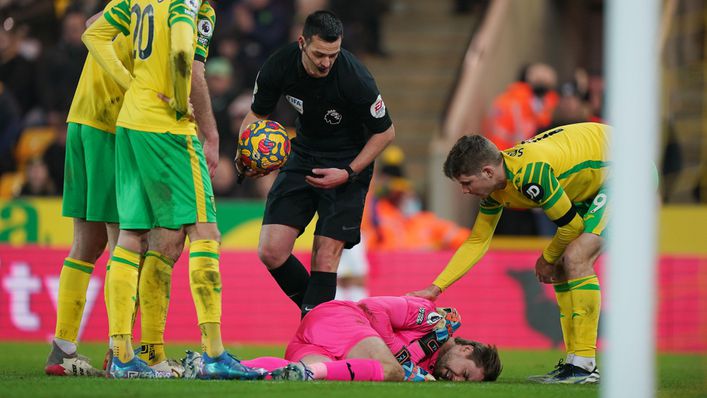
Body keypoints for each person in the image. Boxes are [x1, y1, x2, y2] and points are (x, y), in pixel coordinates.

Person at [81, 0, 260, 380]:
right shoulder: (189, 6)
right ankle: (213, 354)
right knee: (206, 232)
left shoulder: (137, 1)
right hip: (168, 130)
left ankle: (124, 354)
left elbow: (92, 32)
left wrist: (130, 84)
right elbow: (184, 53)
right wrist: (182, 105)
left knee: (133, 236)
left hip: (130, 122)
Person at [44, 2, 222, 378]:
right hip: (117, 121)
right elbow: (193, 68)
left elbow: (93, 24)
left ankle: (63, 349)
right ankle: (123, 353)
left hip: (83, 114)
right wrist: (208, 131)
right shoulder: (187, 7)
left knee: (88, 242)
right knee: (127, 239)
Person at [409, 122, 611, 384]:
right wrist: (436, 288)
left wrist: (546, 258)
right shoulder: (497, 187)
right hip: (591, 182)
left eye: (467, 182)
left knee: (575, 257)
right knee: (564, 264)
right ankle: (575, 364)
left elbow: (570, 226)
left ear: (487, 171)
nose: (465, 191)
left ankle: (584, 367)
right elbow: (478, 241)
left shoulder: (531, 174)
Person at [237, 10, 395, 318]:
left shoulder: (355, 77)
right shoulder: (278, 66)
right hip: (304, 154)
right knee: (271, 251)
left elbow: (386, 132)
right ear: (302, 43)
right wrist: (243, 154)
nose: (326, 62)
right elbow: (257, 115)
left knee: (325, 255)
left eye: (333, 55)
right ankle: (325, 318)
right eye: (320, 54)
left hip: (349, 162)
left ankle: (317, 328)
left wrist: (349, 172)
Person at [183, 296, 502, 382]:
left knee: (308, 376)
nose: (455, 379)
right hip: (339, 318)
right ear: (465, 348)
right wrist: (395, 359)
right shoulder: (429, 318)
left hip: (313, 346)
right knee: (389, 371)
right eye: (464, 372)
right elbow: (371, 309)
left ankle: (211, 366)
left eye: (464, 382)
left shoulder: (427, 368)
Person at [483, 62, 559, 150]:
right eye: (539, 75)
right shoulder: (515, 96)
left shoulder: (546, 110)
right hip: (496, 148)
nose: (543, 77)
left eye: (546, 78)